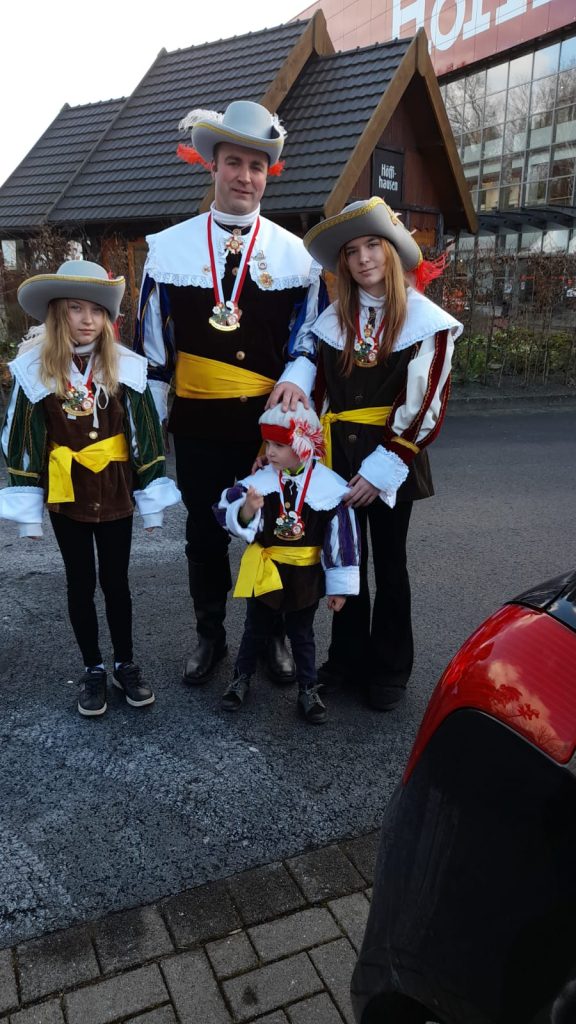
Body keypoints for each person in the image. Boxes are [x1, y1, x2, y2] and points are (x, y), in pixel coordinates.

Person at [134, 100, 322, 689]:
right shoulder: (168, 249)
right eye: (234, 163)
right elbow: (152, 351)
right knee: (204, 533)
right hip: (198, 423)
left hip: (271, 424)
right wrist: (151, 430)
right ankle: (209, 634)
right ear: (211, 165)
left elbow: (309, 339)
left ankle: (272, 637)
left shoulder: (298, 256)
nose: (245, 176)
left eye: (256, 166)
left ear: (269, 174)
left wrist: (297, 379)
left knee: (277, 528)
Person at [0, 260, 181, 717]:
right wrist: (27, 509)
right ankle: (93, 667)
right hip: (69, 494)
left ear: (107, 318)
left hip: (116, 490)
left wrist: (152, 502)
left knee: (116, 581)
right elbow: (22, 435)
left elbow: (145, 433)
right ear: (57, 314)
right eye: (75, 309)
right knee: (79, 582)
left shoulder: (127, 367)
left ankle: (125, 663)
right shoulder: (34, 370)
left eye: (97, 311)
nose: (87, 319)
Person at [303, 197, 463, 712]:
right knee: (345, 558)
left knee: (392, 564)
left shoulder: (425, 320)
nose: (363, 258)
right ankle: (347, 660)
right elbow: (321, 393)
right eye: (352, 252)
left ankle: (391, 668)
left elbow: (425, 403)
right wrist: (312, 456)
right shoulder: (334, 320)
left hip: (394, 460)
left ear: (392, 251)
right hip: (338, 459)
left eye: (373, 245)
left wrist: (382, 468)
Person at [214, 402, 359, 723]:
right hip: (265, 569)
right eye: (268, 443)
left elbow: (342, 539)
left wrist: (340, 587)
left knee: (302, 635)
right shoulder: (260, 482)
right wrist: (248, 510)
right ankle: (240, 678)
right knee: (254, 630)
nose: (270, 452)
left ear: (303, 446)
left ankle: (308, 689)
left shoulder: (330, 487)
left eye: (279, 445)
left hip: (305, 576)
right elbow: (227, 514)